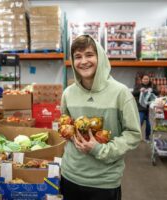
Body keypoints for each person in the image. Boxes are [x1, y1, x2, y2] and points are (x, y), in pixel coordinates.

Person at [60, 35, 141, 200]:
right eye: (78, 57)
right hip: (70, 175)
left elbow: (133, 134)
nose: (83, 61)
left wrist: (99, 149)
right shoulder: (68, 93)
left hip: (104, 181)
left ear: (100, 57)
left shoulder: (120, 93)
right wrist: (67, 131)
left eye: (89, 55)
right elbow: (64, 125)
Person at [132, 74, 158, 142]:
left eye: (147, 79)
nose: (146, 80)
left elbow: (157, 92)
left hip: (150, 109)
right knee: (139, 123)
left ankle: (147, 137)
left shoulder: (152, 86)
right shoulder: (138, 86)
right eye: (144, 79)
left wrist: (152, 90)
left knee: (149, 125)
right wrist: (140, 90)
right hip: (141, 109)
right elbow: (134, 93)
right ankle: (136, 137)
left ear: (149, 79)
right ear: (142, 80)